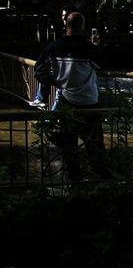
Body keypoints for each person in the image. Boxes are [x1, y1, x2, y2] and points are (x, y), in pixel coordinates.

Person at [34, 11, 108, 180]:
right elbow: (102, 65)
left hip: (67, 101)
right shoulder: (88, 48)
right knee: (94, 143)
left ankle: (75, 181)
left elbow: (38, 70)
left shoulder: (53, 47)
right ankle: (102, 180)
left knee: (70, 143)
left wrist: (55, 82)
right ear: (82, 27)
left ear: (65, 25)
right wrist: (96, 46)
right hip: (89, 102)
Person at [30, 4, 79, 108]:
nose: (64, 18)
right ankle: (40, 98)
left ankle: (41, 99)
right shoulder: (61, 32)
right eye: (63, 15)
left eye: (66, 15)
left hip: (71, 76)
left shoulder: (76, 37)